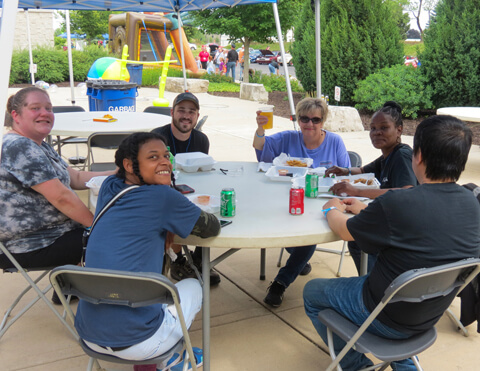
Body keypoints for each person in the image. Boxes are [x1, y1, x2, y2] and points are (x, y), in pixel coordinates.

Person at [304, 115, 480, 371]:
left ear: (417, 156)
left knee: (312, 292)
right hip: (429, 313)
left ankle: (354, 365)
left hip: (384, 313)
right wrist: (366, 210)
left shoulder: (397, 205)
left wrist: (330, 209)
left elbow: (343, 230)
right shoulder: (473, 205)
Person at [75, 132, 220, 370]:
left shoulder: (110, 187)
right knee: (193, 285)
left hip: (90, 337)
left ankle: (160, 356)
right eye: (153, 157)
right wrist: (173, 212)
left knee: (149, 286)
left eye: (166, 155)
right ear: (129, 165)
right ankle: (168, 359)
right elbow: (210, 228)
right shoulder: (162, 197)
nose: (164, 162)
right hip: (142, 344)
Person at [0, 87, 115, 302]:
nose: (45, 113)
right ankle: (119, 297)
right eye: (36, 108)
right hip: (28, 245)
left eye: (48, 108)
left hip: (51, 234)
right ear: (16, 115)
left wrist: (120, 173)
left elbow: (76, 178)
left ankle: (69, 287)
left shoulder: (38, 145)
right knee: (121, 236)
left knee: (108, 229)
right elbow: (62, 197)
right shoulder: (19, 147)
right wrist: (98, 227)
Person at [253, 97, 351, 307]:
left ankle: (281, 281)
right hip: (289, 200)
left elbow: (346, 177)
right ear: (298, 120)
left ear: (323, 121)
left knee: (308, 238)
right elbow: (260, 147)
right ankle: (300, 261)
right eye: (304, 119)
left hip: (321, 202)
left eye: (315, 119)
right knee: (286, 232)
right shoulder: (289, 137)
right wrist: (260, 128)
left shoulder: (335, 142)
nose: (309, 124)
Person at [325, 101, 418, 274]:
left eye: (384, 127)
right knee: (357, 237)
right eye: (373, 128)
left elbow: (407, 191)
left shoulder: (402, 155)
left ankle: (372, 284)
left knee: (357, 235)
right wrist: (343, 170)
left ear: (399, 130)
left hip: (402, 230)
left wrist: (357, 191)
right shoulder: (387, 155)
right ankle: (369, 280)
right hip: (389, 221)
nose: (377, 133)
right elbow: (362, 170)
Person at [152, 92, 221, 285]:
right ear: (172, 112)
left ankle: (200, 259)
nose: (186, 116)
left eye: (192, 112)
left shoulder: (201, 140)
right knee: (168, 211)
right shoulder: (156, 138)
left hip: (192, 192)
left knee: (213, 207)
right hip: (163, 193)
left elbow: (202, 173)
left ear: (197, 117)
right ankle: (178, 260)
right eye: (181, 110)